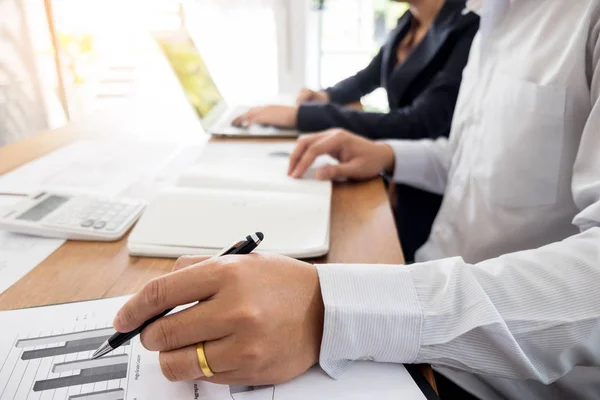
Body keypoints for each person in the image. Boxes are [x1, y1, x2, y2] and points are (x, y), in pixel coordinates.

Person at [112, 0, 600, 399]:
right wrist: (387, 154)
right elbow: (483, 152)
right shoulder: (491, 18)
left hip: (498, 377)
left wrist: (334, 309)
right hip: (419, 286)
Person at [234, 0, 480, 262]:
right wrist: (326, 95)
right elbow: (368, 77)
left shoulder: (470, 24)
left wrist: (301, 116)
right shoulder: (410, 21)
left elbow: (418, 122)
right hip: (400, 169)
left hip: (430, 192)